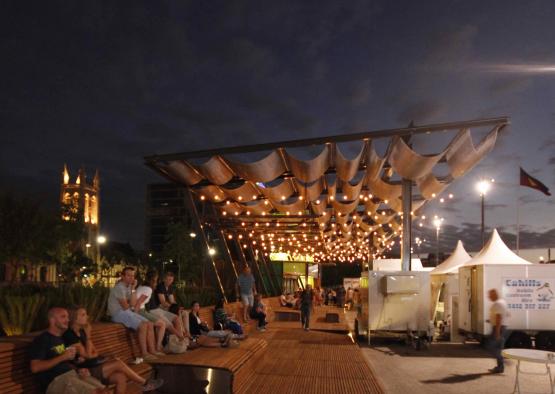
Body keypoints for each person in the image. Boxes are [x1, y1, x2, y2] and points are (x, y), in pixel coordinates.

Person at [64, 306, 164, 393]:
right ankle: (145, 383)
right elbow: (89, 355)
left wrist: (89, 352)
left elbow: (94, 353)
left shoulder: (81, 331)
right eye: (83, 315)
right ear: (74, 319)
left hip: (96, 366)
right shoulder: (70, 335)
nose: (87, 316)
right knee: (118, 363)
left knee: (120, 378)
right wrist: (89, 336)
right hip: (87, 371)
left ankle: (145, 384)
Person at [29, 307, 105, 393]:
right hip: (56, 381)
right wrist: (62, 357)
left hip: (72, 375)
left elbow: (65, 362)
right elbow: (35, 367)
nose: (68, 320)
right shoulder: (42, 340)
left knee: (103, 390)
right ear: (52, 320)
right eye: (63, 317)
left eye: (68, 317)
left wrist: (78, 368)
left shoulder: (61, 338)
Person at [107, 267, 160, 361]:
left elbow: (132, 303)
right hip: (117, 313)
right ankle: (144, 354)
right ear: (122, 276)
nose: (131, 278)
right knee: (143, 325)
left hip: (126, 312)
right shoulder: (119, 288)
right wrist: (132, 308)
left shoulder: (128, 287)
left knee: (150, 324)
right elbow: (126, 307)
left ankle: (152, 350)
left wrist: (133, 288)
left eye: (132, 275)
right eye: (128, 275)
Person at [138, 270, 186, 341]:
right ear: (152, 280)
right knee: (168, 325)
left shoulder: (151, 288)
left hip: (158, 309)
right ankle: (182, 339)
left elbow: (172, 300)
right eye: (156, 280)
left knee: (176, 318)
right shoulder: (148, 288)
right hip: (152, 311)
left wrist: (177, 307)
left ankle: (181, 338)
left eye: (171, 280)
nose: (157, 283)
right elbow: (162, 303)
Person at [487, 289, 509, 373]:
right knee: (497, 347)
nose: (489, 297)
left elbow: (499, 318)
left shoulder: (498, 304)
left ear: (494, 295)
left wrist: (497, 332)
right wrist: (491, 320)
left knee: (491, 347)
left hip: (498, 327)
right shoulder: (502, 302)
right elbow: (507, 314)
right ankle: (500, 366)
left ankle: (502, 364)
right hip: (501, 327)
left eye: (490, 295)